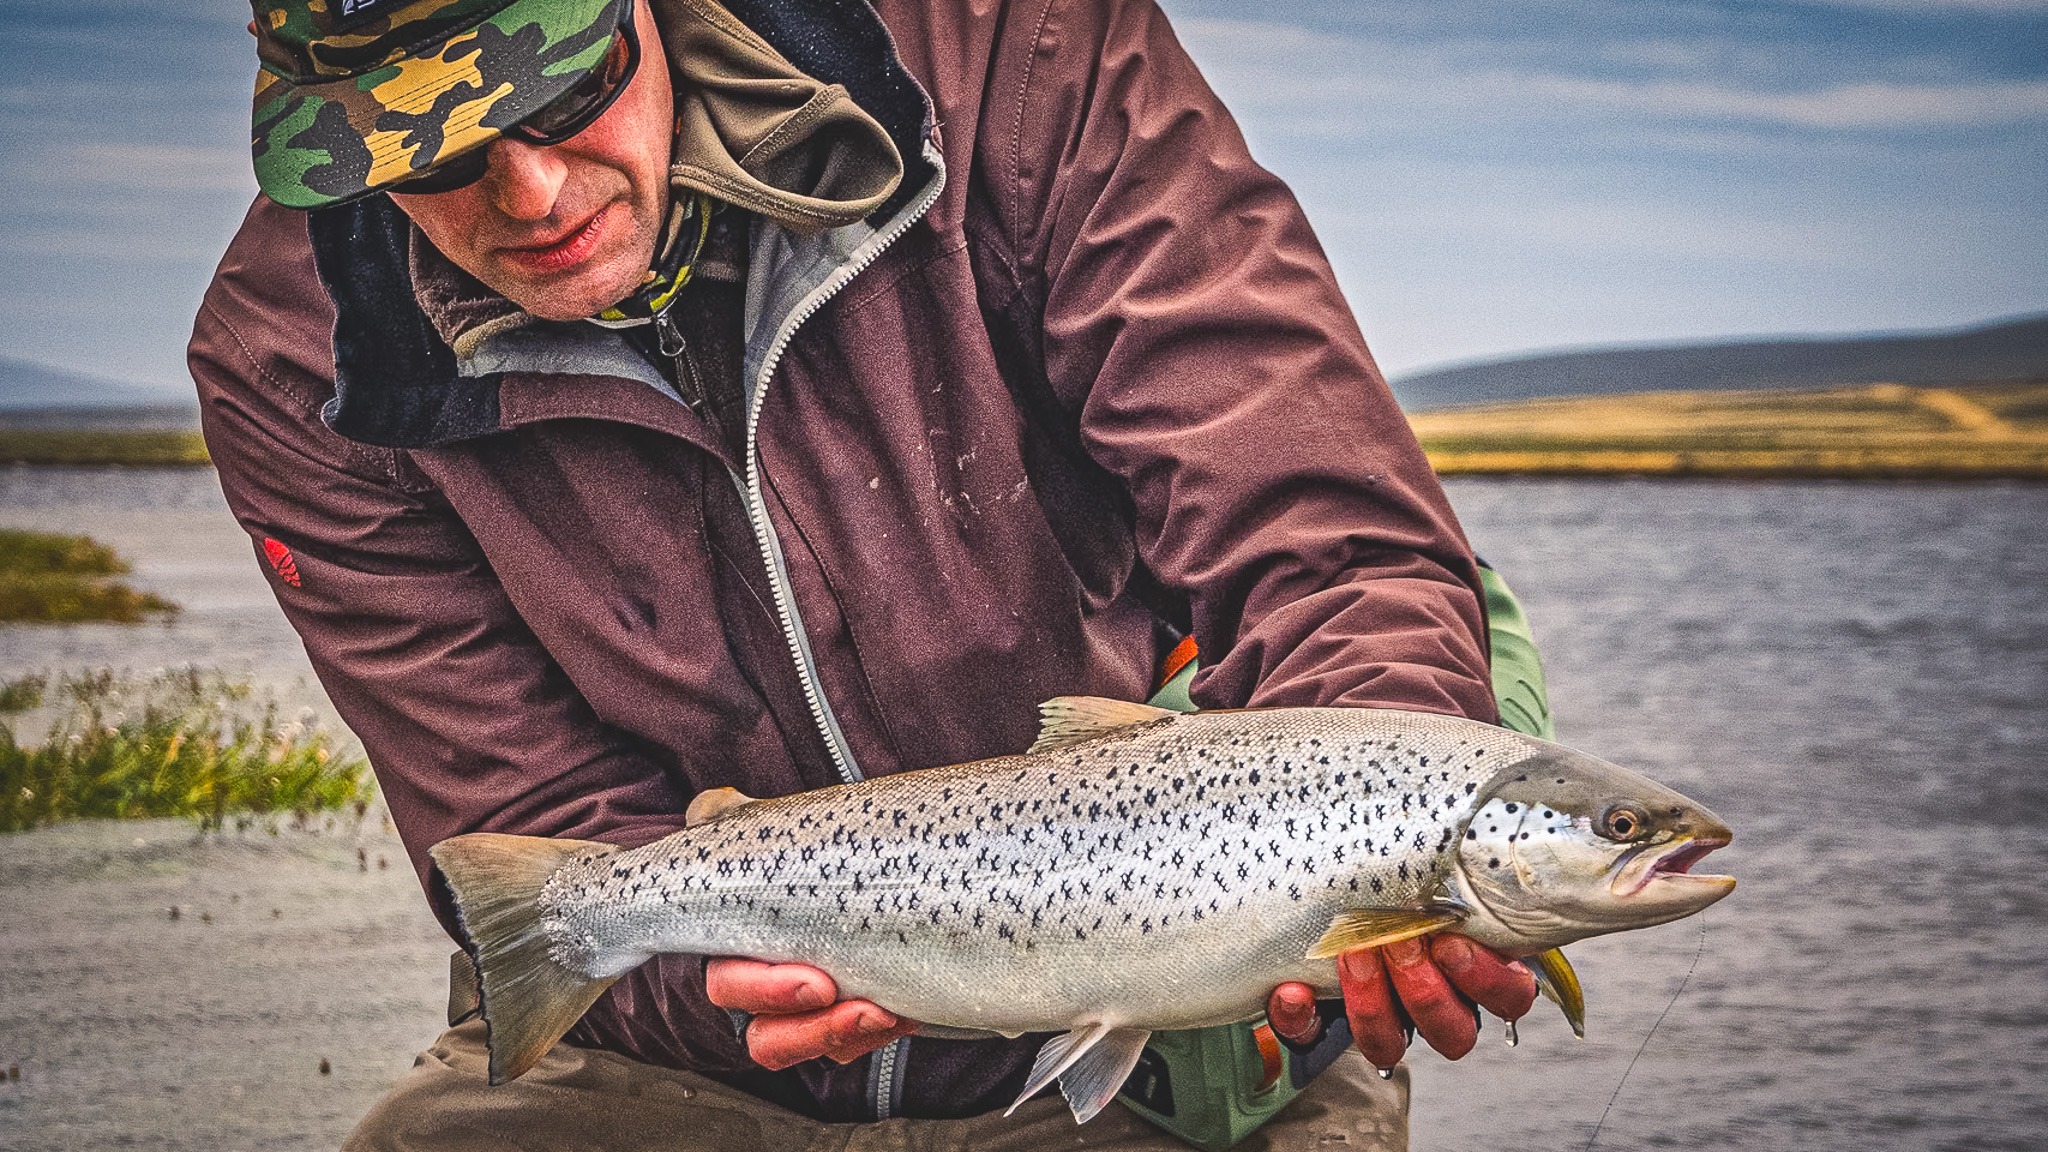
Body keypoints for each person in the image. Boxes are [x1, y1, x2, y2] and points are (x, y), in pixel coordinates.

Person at [191, 0, 1538, 1146]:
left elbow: (1319, 538)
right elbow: (526, 815)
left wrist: (1384, 843)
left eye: (566, 92)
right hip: (683, 1063)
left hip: (1171, 1044)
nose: (532, 193)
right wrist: (723, 980)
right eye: (432, 157)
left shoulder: (1017, 51)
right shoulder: (288, 360)